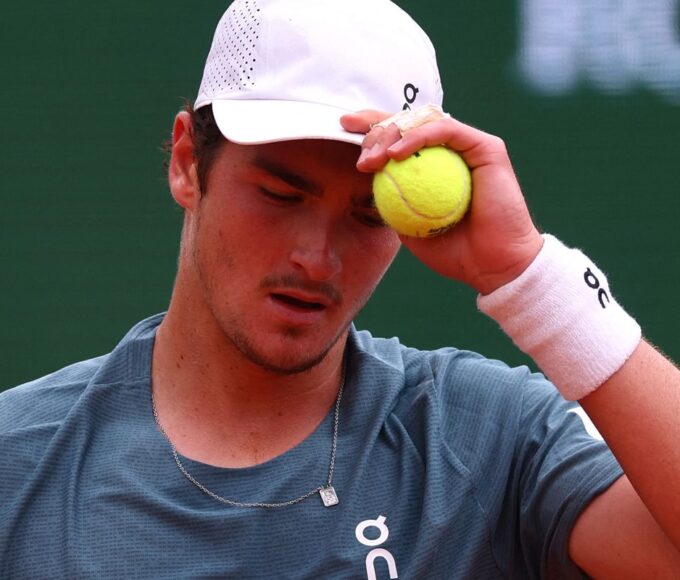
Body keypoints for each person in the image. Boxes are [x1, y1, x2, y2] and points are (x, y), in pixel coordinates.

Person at [1, 0, 679, 577]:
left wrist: (529, 276)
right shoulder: (17, 458)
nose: (317, 259)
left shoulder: (484, 439)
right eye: (279, 194)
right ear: (186, 163)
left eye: (369, 216)